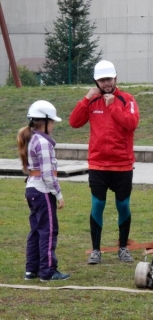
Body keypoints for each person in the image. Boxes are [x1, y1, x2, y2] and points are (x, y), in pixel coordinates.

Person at [69, 60, 140, 265]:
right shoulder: (92, 101)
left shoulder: (127, 99)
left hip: (122, 164)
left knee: (123, 205)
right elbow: (74, 122)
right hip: (98, 164)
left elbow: (132, 123)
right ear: (96, 81)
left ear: (115, 78)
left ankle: (123, 247)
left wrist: (113, 107)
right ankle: (96, 250)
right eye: (102, 80)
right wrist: (86, 98)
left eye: (109, 79)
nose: (106, 83)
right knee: (97, 204)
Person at [17, 100, 70, 282]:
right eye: (53, 122)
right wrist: (59, 194)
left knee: (36, 231)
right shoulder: (44, 143)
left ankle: (31, 270)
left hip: (32, 189)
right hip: (42, 191)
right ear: (45, 122)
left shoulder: (31, 138)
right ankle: (47, 271)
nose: (54, 125)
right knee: (48, 230)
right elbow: (48, 174)